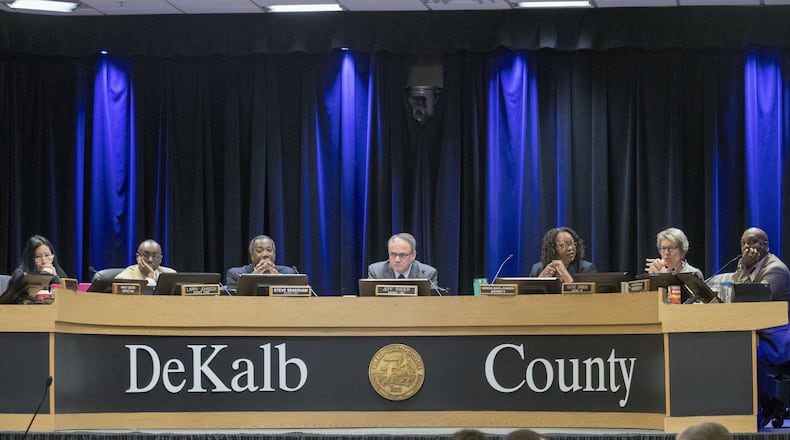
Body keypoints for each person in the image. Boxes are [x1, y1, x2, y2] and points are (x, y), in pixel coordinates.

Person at [730, 227, 790, 426]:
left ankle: (757, 411)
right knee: (725, 347)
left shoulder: (776, 270)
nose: (748, 247)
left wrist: (744, 268)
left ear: (765, 245)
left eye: (753, 242)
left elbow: (752, 303)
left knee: (749, 353)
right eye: (744, 243)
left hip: (776, 338)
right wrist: (743, 269)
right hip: (754, 333)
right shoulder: (746, 267)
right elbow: (733, 294)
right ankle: (764, 402)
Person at [225, 235, 296, 291]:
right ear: (252, 255)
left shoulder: (288, 273)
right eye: (259, 251)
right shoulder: (235, 274)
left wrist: (277, 277)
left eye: (269, 250)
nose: (265, 254)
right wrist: (254, 276)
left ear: (274, 253)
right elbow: (233, 298)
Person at [529, 227, 596, 284]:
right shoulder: (537, 269)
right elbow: (528, 296)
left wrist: (564, 273)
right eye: (563, 245)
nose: (570, 248)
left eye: (572, 244)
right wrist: (540, 280)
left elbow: (585, 296)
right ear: (553, 248)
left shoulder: (586, 269)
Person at [368, 233, 438, 284]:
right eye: (393, 254)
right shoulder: (376, 272)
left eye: (403, 255)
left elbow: (432, 302)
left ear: (413, 255)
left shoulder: (427, 274)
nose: (397, 260)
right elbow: (369, 301)